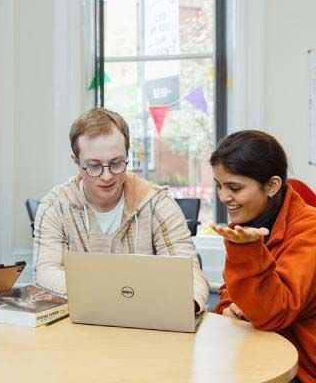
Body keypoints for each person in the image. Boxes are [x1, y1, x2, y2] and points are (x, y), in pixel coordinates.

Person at [34, 107, 209, 312]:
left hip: (147, 322)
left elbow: (189, 273)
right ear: (76, 161)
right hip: (80, 325)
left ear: (127, 154)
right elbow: (45, 273)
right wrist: (113, 292)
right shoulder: (55, 206)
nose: (107, 176)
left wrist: (187, 302)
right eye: (94, 166)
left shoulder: (157, 203)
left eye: (116, 163)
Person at [209, 130, 316, 383]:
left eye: (234, 187)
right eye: (219, 186)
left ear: (272, 185)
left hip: (301, 368)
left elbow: (276, 312)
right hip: (258, 353)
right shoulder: (248, 223)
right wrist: (227, 309)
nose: (224, 197)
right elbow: (229, 291)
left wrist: (245, 251)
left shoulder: (310, 230)